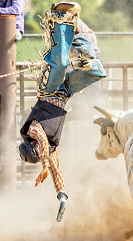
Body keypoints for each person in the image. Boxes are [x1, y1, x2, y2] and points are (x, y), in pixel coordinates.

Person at [18, 2, 106, 222]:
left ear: (33, 145)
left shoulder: (32, 130)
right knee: (95, 72)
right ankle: (76, 30)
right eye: (41, 153)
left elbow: (41, 137)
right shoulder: (49, 151)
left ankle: (60, 17)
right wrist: (62, 196)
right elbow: (57, 172)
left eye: (39, 150)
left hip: (48, 90)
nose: (41, 149)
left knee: (59, 63)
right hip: (64, 95)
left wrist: (44, 165)